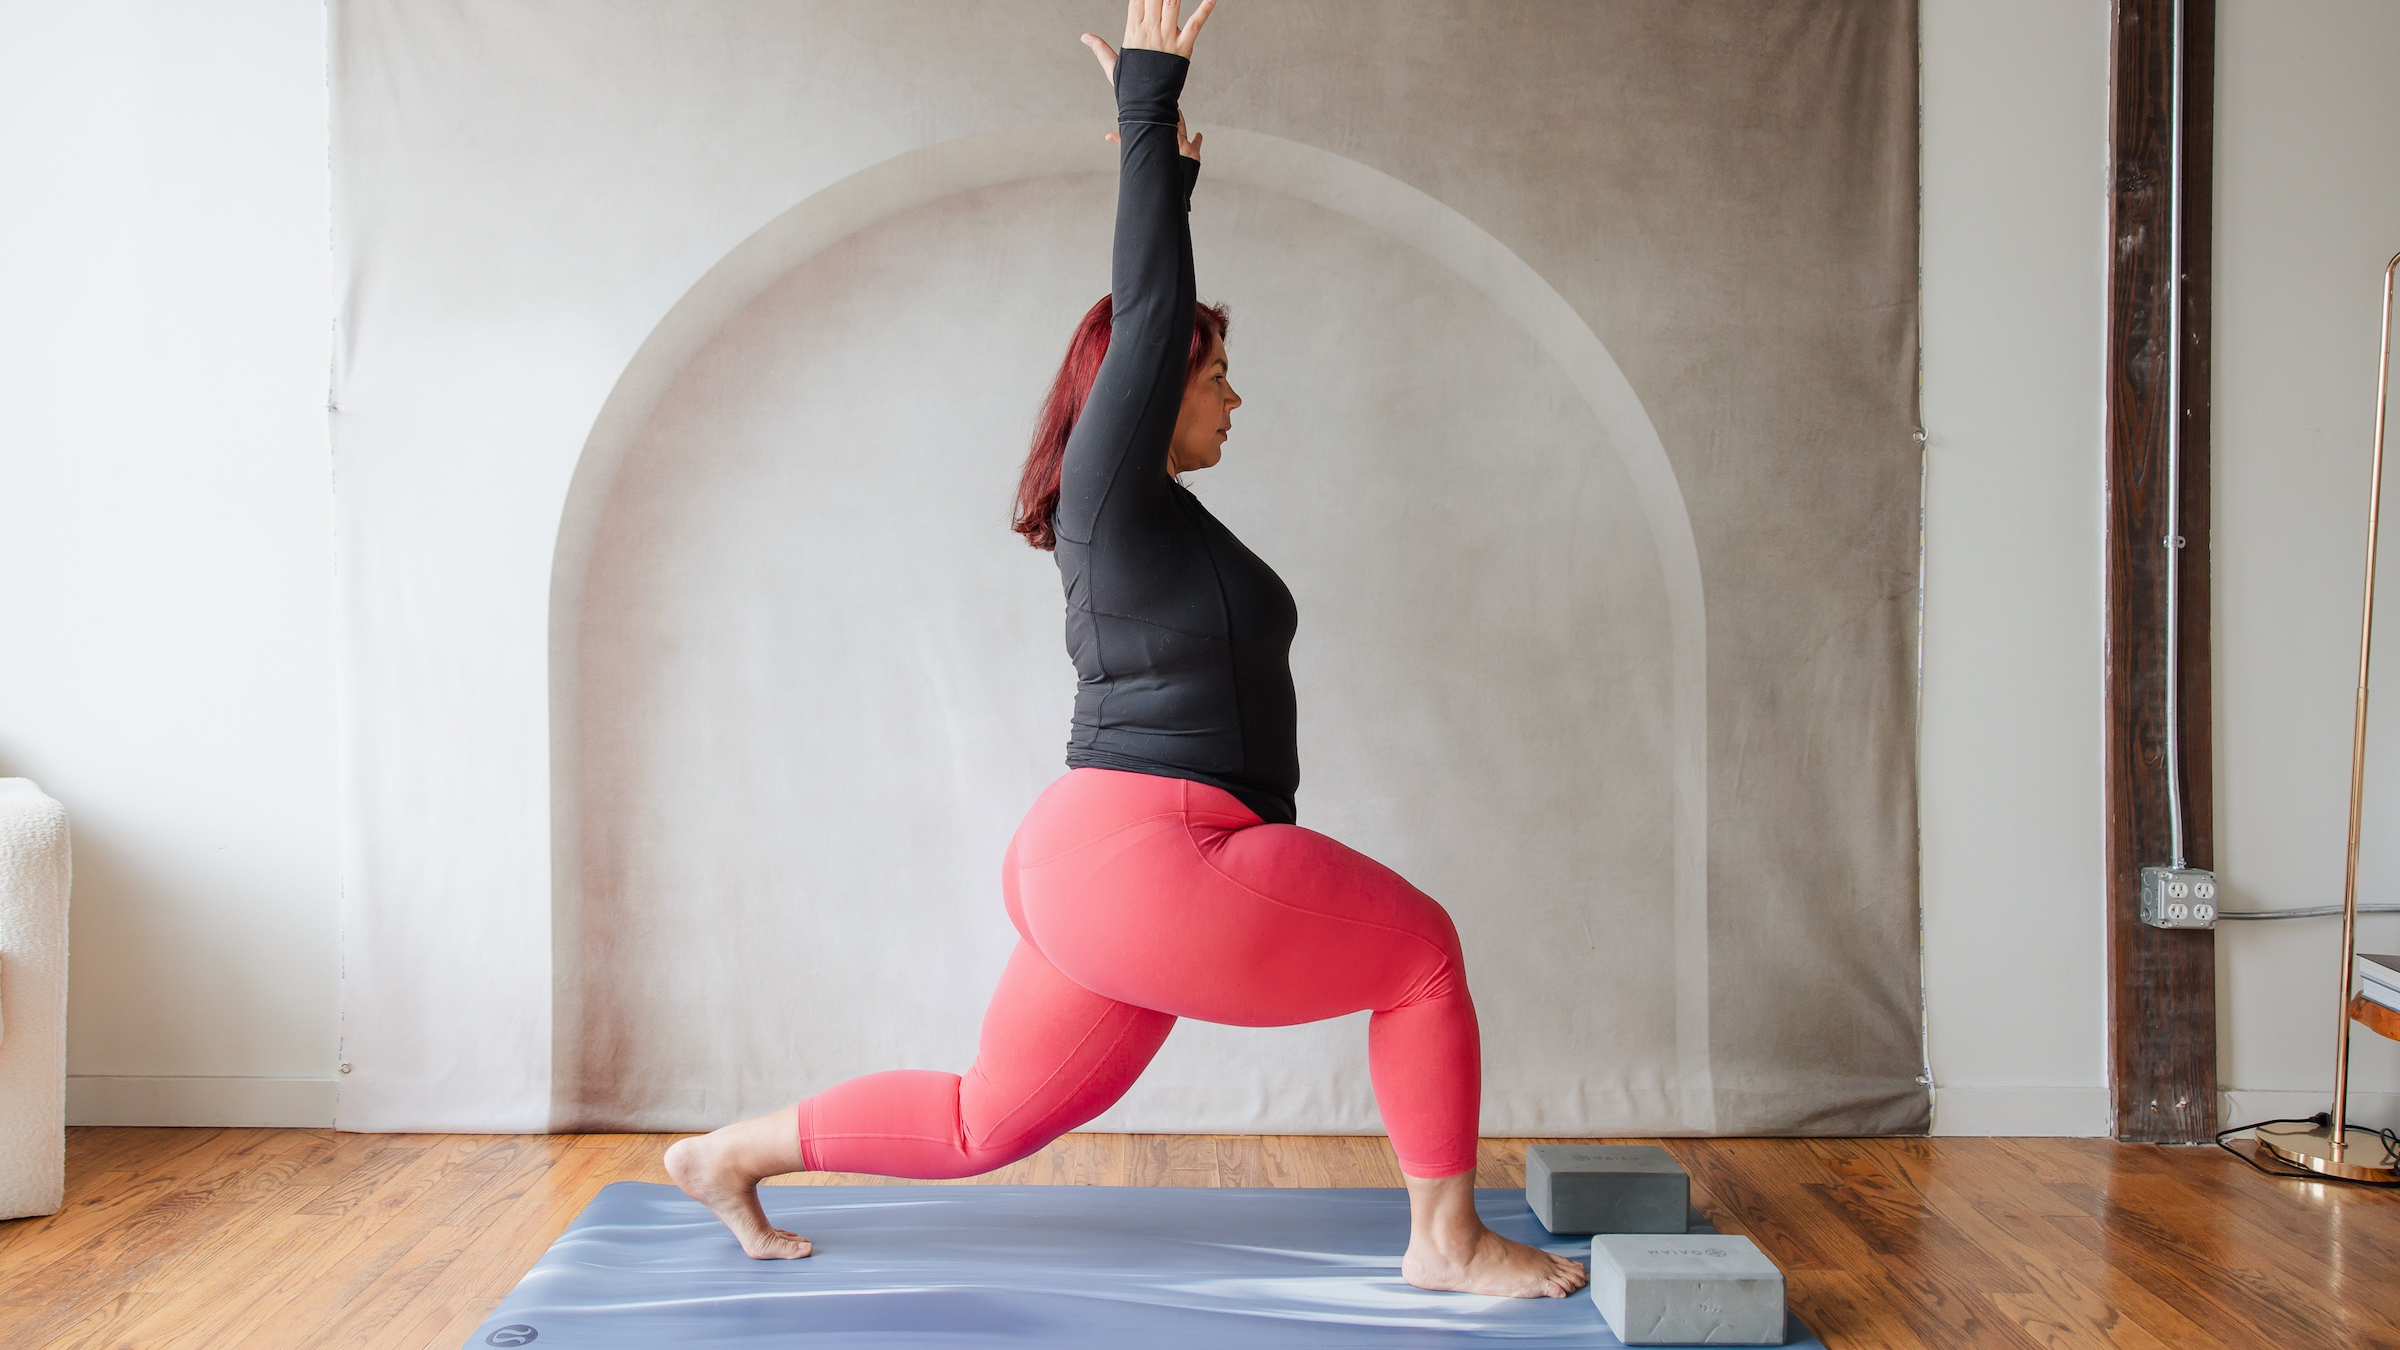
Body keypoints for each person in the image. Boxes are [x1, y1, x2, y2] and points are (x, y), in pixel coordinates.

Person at [665, 0, 1588, 1300]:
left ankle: (725, 1154)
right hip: (1158, 850)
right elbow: (1149, 308)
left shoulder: (1150, 522)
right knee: (1421, 954)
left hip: (1104, 863)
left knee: (993, 1117)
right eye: (1216, 373)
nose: (1233, 394)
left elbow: (1159, 328)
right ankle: (1445, 1241)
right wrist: (1148, 112)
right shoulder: (1112, 489)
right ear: (1148, 386)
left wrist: (1175, 162)